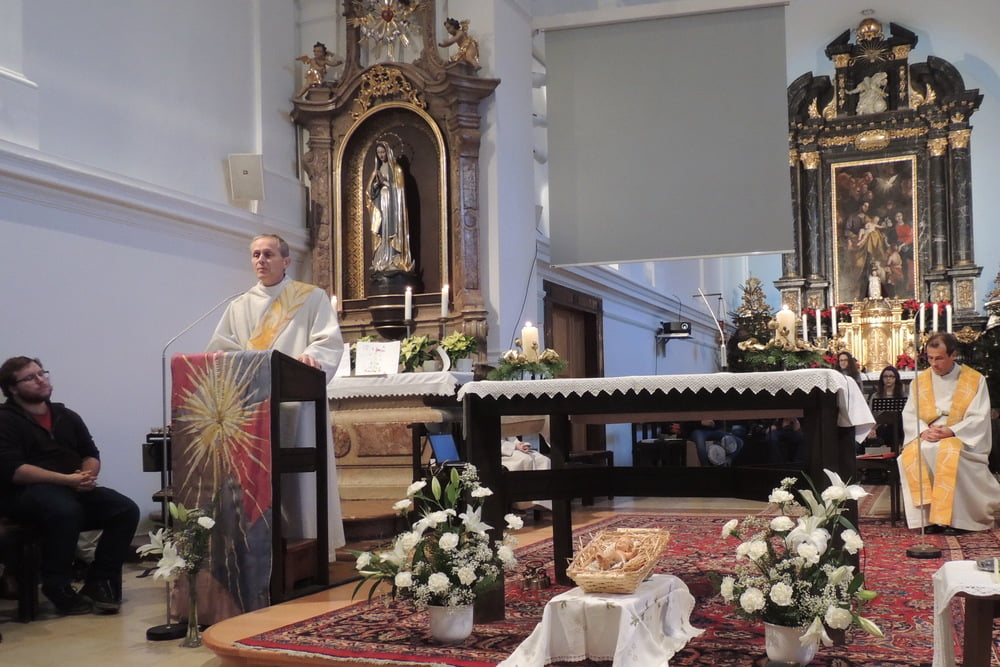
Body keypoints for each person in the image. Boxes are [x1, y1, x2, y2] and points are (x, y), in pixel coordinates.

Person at [207, 233, 346, 549]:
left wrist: (312, 358)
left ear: (286, 261)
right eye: (255, 254)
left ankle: (306, 546)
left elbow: (327, 342)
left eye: (268, 254)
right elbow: (221, 352)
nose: (261, 260)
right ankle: (258, 548)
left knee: (300, 485)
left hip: (298, 406)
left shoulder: (311, 298)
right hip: (252, 409)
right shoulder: (239, 306)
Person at [0, 357, 140, 615]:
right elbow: (14, 470)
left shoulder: (66, 415)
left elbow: (90, 453)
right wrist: (67, 480)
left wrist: (86, 476)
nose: (41, 380)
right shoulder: (5, 420)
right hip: (25, 494)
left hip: (71, 488)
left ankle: (101, 581)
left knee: (125, 509)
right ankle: (57, 585)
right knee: (65, 510)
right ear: (12, 388)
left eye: (42, 373)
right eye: (30, 377)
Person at [898, 333, 1000, 534]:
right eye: (930, 358)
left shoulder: (974, 380)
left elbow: (979, 416)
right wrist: (923, 431)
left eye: (939, 358)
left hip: (960, 434)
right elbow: (909, 413)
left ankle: (958, 520)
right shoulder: (920, 381)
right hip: (928, 433)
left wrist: (952, 430)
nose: (933, 364)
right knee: (911, 454)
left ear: (953, 355)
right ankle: (928, 519)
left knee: (947, 453)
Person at [368, 141, 415, 274]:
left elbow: (399, 190)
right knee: (382, 229)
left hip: (393, 206)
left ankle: (394, 259)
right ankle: (382, 259)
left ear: (388, 152)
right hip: (381, 204)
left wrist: (385, 183)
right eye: (379, 153)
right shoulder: (376, 170)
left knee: (391, 230)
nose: (381, 155)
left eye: (383, 152)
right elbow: (370, 193)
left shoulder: (396, 170)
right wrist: (376, 185)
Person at [500, 435, 551, 511]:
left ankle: (542, 500)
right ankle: (519, 504)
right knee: (525, 459)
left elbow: (509, 435)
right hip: (500, 453)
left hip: (511, 448)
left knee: (543, 460)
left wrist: (519, 444)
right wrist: (514, 446)